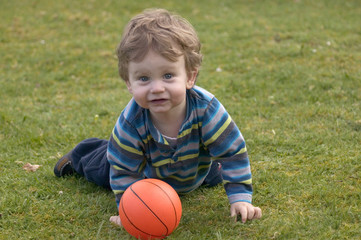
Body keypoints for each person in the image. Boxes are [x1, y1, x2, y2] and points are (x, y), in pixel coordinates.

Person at [54, 8, 262, 226]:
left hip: (195, 169)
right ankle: (81, 154)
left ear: (190, 77)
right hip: (144, 174)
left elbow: (232, 153)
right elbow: (125, 172)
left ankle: (202, 174)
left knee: (218, 172)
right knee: (105, 166)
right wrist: (129, 211)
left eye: (168, 75)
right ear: (129, 83)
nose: (157, 88)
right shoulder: (131, 124)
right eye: (144, 78)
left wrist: (240, 198)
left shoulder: (207, 110)